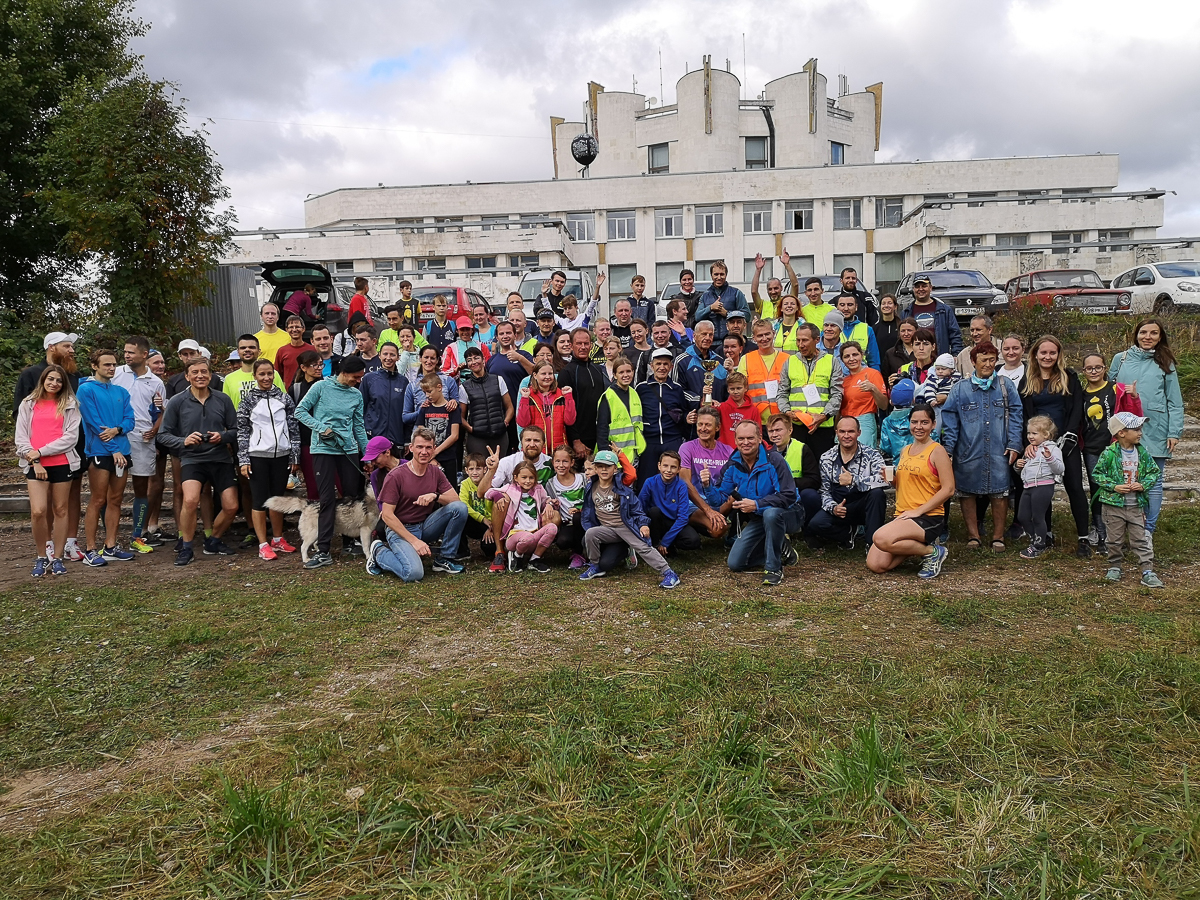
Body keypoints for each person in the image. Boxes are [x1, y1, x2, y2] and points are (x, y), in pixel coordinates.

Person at [939, 341, 1023, 551]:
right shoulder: (960, 389)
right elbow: (950, 420)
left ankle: (998, 536)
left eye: (992, 360)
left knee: (1000, 492)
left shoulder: (1006, 386)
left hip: (999, 448)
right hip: (968, 449)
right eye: (983, 359)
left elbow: (1016, 414)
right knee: (967, 493)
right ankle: (973, 536)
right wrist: (949, 449)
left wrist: (1014, 443)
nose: (988, 364)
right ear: (973, 361)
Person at [156, 358, 240, 566]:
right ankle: (186, 547)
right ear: (187, 376)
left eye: (204, 371)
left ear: (211, 375)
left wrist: (222, 436)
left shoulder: (222, 399)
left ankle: (213, 541)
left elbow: (237, 430)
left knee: (231, 506)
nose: (200, 375)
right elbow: (162, 435)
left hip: (220, 458)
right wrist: (183, 441)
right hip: (192, 459)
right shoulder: (177, 401)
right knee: (191, 500)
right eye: (195, 372)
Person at [1109, 317, 1185, 535]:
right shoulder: (1120, 359)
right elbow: (1109, 390)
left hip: (1156, 429)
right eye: (1143, 332)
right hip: (1125, 429)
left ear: (1160, 337)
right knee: (1126, 478)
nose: (1147, 337)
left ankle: (1148, 530)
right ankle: (1128, 526)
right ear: (1136, 334)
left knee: (1153, 480)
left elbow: (1175, 401)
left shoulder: (1165, 361)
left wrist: (1174, 432)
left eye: (1153, 333)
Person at [14, 331, 84, 561]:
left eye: (58, 380)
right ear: (52, 347)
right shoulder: (30, 375)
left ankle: (67, 545)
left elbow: (72, 426)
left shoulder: (73, 378)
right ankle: (45, 550)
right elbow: (21, 422)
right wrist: (34, 456)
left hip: (68, 454)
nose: (72, 350)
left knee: (66, 502)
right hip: (35, 457)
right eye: (67, 346)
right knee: (39, 509)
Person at [294, 355, 369, 569]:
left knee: (352, 497)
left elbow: (359, 427)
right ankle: (324, 549)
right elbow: (300, 411)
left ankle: (350, 542)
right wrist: (320, 427)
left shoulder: (356, 395)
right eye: (356, 377)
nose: (358, 381)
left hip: (348, 451)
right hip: (323, 449)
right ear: (344, 373)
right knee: (326, 499)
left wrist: (368, 454)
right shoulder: (320, 387)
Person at [703, 420, 798, 586]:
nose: (745, 442)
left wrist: (757, 504)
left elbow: (788, 496)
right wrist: (707, 486)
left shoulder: (774, 460)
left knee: (771, 513)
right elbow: (718, 500)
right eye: (741, 439)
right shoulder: (733, 463)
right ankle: (781, 547)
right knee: (735, 564)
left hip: (788, 512)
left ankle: (773, 568)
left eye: (750, 438)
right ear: (735, 440)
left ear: (760, 438)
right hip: (760, 518)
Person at [367, 426, 468, 581]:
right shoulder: (396, 475)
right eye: (420, 447)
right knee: (413, 573)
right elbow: (387, 515)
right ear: (411, 448)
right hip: (399, 530)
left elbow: (456, 501)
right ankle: (379, 552)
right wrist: (414, 541)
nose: (424, 452)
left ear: (434, 449)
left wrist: (435, 496)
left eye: (428, 447)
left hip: (425, 525)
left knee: (459, 508)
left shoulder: (435, 472)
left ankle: (444, 559)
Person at [1022, 335, 1090, 558]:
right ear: (1035, 354)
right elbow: (1024, 414)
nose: (1048, 357)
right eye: (1044, 352)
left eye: (1053, 353)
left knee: (1075, 489)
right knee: (1041, 489)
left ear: (1059, 355)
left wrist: (1070, 435)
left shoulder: (1069, 377)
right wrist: (1028, 443)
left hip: (1065, 443)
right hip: (1039, 445)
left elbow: (1077, 407)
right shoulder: (1027, 380)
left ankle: (1083, 538)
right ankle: (1046, 534)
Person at [868, 404, 955, 578]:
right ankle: (915, 546)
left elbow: (949, 489)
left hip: (928, 516)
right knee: (876, 564)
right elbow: (903, 485)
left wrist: (918, 511)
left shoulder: (937, 451)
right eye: (914, 422)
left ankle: (932, 552)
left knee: (880, 538)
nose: (919, 427)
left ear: (933, 424)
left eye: (924, 422)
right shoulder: (906, 450)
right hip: (904, 515)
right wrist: (892, 480)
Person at [578, 450, 680, 588]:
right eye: (600, 466)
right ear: (595, 468)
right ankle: (595, 566)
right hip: (606, 529)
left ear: (615, 469)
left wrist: (643, 524)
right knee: (590, 534)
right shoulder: (591, 487)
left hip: (624, 526)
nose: (603, 469)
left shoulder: (622, 489)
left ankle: (668, 572)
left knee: (643, 547)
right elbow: (589, 508)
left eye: (608, 466)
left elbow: (637, 510)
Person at [236, 359, 300, 560]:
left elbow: (293, 428)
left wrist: (294, 454)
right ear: (255, 376)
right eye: (261, 374)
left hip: (281, 455)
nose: (266, 378)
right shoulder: (248, 401)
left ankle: (278, 539)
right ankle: (263, 543)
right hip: (258, 456)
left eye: (269, 374)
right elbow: (243, 431)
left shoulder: (284, 398)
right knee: (259, 500)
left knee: (278, 499)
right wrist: (244, 459)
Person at [1091, 412, 1164, 588]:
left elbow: (1154, 472)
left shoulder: (1142, 453)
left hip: (1135, 506)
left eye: (1140, 429)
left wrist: (1143, 484)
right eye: (1136, 429)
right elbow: (1097, 475)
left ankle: (1147, 570)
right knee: (1114, 539)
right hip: (1112, 506)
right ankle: (1115, 566)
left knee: (1140, 539)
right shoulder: (1109, 453)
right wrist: (1114, 487)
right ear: (1121, 433)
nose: (1140, 433)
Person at [77, 348, 136, 565]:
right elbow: (93, 423)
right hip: (100, 452)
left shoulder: (121, 391)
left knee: (116, 500)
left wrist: (118, 430)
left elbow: (130, 420)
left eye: (113, 365)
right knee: (98, 499)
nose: (111, 368)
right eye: (106, 365)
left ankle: (110, 545)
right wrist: (114, 448)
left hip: (122, 451)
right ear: (95, 366)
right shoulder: (85, 390)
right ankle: (90, 549)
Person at [1080, 352, 1142, 551]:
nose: (1094, 371)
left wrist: (1133, 397)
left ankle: (1119, 533)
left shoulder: (1117, 390)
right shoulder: (1081, 394)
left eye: (1098, 367)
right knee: (1099, 490)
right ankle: (1100, 533)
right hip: (1091, 449)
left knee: (1119, 488)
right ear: (1084, 371)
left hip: (1115, 448)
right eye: (1089, 368)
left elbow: (1134, 417)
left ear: (1105, 368)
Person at [112, 335, 165, 553]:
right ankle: (111, 539)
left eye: (131, 352)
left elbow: (162, 411)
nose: (126, 355)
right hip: (117, 439)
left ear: (144, 355)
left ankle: (138, 535)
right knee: (113, 491)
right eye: (125, 351)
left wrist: (155, 429)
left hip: (144, 440)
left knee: (141, 489)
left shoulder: (156, 382)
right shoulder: (115, 374)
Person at [476, 426, 552, 573]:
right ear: (520, 443)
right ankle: (500, 553)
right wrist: (492, 469)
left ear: (543, 443)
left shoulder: (551, 464)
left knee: (553, 515)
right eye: (528, 440)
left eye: (536, 440)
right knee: (501, 498)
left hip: (539, 509)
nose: (532, 444)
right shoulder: (507, 462)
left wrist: (549, 504)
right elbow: (482, 493)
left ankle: (535, 556)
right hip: (512, 513)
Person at [806, 416, 887, 552]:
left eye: (851, 431)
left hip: (864, 504)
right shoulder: (826, 457)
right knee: (816, 524)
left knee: (877, 494)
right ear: (836, 433)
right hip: (840, 505)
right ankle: (847, 533)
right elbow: (824, 490)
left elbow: (884, 481)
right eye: (842, 432)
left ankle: (872, 544)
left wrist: (854, 480)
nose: (846, 436)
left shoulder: (872, 454)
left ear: (859, 433)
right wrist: (833, 508)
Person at [777, 323, 842, 457]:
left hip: (822, 426)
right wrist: (787, 411)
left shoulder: (831, 361)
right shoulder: (790, 362)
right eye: (798, 340)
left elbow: (837, 394)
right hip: (796, 426)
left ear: (817, 340)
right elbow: (782, 393)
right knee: (797, 466)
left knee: (822, 467)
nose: (801, 344)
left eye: (805, 340)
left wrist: (824, 415)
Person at [484, 459, 558, 572]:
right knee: (527, 538)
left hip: (534, 532)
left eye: (531, 478)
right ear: (516, 478)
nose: (528, 481)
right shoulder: (510, 488)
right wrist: (498, 496)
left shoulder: (538, 489)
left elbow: (547, 500)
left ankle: (534, 560)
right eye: (524, 477)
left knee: (552, 528)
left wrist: (549, 504)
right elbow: (488, 493)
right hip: (516, 535)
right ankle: (516, 556)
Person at [1014, 416, 1065, 559]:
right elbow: (1024, 469)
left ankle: (1039, 545)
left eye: (1034, 433)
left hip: (1043, 486)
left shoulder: (1053, 449)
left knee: (1038, 517)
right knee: (1022, 516)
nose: (1030, 436)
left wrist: (1050, 458)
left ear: (1046, 435)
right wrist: (1017, 466)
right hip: (1028, 486)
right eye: (1028, 433)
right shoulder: (1030, 449)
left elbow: (1060, 469)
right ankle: (1035, 539)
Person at [678, 407, 733, 540]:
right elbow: (685, 482)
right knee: (718, 529)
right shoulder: (687, 448)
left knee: (738, 492)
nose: (703, 428)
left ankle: (732, 528)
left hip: (718, 500)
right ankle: (691, 521)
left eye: (708, 425)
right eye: (700, 424)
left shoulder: (728, 451)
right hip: (694, 503)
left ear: (717, 427)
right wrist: (707, 510)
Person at [634, 348, 687, 483]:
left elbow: (683, 411)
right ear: (652, 366)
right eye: (658, 364)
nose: (662, 367)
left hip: (672, 440)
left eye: (665, 364)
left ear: (671, 367)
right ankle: (644, 504)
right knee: (646, 480)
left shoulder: (677, 388)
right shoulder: (641, 388)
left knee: (673, 479)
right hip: (648, 441)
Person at [639, 449, 702, 556]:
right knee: (654, 511)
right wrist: (643, 524)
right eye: (665, 466)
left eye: (673, 467)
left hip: (673, 521)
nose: (668, 470)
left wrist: (666, 542)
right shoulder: (649, 482)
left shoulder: (681, 486)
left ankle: (667, 545)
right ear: (659, 466)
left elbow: (682, 517)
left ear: (679, 469)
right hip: (655, 522)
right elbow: (640, 507)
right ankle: (654, 546)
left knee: (694, 540)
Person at [558, 328, 607, 462]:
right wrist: (575, 440)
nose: (583, 347)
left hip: (599, 437)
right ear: (572, 345)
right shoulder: (566, 372)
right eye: (579, 343)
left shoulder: (597, 369)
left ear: (591, 345)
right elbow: (564, 410)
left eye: (586, 343)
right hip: (579, 440)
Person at [765, 413, 821, 526]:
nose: (774, 434)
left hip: (798, 492)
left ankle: (807, 527)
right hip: (775, 494)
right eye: (771, 431)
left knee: (811, 495)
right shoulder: (765, 453)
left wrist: (789, 483)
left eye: (778, 430)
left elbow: (814, 480)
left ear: (790, 430)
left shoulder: (802, 449)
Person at [461, 346, 514, 457]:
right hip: (477, 437)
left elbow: (509, 407)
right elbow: (461, 416)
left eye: (476, 358)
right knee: (480, 470)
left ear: (483, 359)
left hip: (500, 435)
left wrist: (505, 422)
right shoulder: (464, 387)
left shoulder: (498, 380)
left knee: (501, 469)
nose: (474, 362)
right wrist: (471, 429)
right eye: (469, 360)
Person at [516, 361, 575, 454]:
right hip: (535, 449)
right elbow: (523, 422)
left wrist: (569, 397)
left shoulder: (561, 394)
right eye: (543, 374)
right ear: (535, 375)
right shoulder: (528, 395)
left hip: (558, 449)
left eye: (550, 373)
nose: (547, 377)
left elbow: (570, 421)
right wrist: (524, 399)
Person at [360, 342, 409, 451]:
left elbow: (407, 412)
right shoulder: (369, 379)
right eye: (385, 354)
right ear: (379, 355)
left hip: (396, 439)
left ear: (398, 357)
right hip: (373, 437)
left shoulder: (403, 381)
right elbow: (360, 409)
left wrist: (407, 440)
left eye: (392, 355)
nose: (388, 358)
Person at [595, 357, 643, 467]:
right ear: (615, 375)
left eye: (628, 371)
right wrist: (606, 456)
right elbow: (602, 428)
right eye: (621, 372)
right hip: (614, 456)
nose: (626, 375)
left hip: (633, 455)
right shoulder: (608, 396)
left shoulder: (634, 393)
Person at [739, 318, 788, 424]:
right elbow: (740, 389)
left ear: (773, 333)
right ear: (754, 338)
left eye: (767, 334)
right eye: (760, 335)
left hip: (782, 418)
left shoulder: (787, 359)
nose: (764, 338)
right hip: (756, 419)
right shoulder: (746, 359)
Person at [839, 342, 888, 448]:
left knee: (863, 459)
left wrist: (873, 388)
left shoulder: (872, 374)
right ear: (842, 360)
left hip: (864, 422)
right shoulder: (843, 381)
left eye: (855, 354)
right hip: (845, 423)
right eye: (847, 356)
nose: (851, 359)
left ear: (862, 355)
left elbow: (884, 405)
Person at [547, 444, 588, 568]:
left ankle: (579, 554)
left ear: (572, 463)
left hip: (585, 520)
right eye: (557, 461)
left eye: (565, 461)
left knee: (577, 517)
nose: (561, 465)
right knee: (562, 541)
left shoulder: (583, 479)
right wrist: (550, 504)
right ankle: (578, 550)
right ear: (553, 463)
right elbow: (549, 500)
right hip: (568, 523)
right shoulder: (551, 484)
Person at [900, 274, 963, 355]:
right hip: (916, 358)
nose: (920, 289)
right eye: (917, 287)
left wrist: (956, 354)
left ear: (930, 288)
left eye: (924, 286)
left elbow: (955, 335)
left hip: (939, 358)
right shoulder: (906, 312)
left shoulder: (944, 310)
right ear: (913, 289)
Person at [415, 373, 461, 483]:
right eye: (424, 392)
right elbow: (420, 432)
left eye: (429, 391)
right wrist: (431, 455)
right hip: (428, 458)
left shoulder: (452, 409)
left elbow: (454, 435)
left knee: (450, 489)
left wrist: (436, 452)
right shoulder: (425, 408)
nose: (427, 395)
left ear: (439, 387)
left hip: (448, 457)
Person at [402, 346, 461, 431]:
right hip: (421, 435)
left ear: (437, 360)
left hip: (444, 433)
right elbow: (405, 418)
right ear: (420, 358)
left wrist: (454, 403)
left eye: (432, 358)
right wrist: (421, 411)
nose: (429, 361)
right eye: (426, 357)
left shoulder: (448, 381)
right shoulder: (412, 385)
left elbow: (458, 408)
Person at [674, 320, 728, 411]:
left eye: (710, 335)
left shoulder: (719, 361)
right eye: (704, 334)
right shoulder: (682, 361)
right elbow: (677, 390)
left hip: (717, 414)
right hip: (693, 415)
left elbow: (726, 389)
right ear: (694, 336)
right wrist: (699, 400)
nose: (707, 338)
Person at [224, 334, 285, 407]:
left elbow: (284, 401)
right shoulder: (229, 379)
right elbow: (226, 406)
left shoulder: (272, 374)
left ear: (259, 351)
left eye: (251, 347)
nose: (247, 350)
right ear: (238, 352)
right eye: (243, 348)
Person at [695, 260, 750, 341]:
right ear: (711, 275)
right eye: (716, 274)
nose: (719, 277)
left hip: (731, 341)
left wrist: (727, 314)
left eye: (722, 274)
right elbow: (697, 317)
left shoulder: (736, 293)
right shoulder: (705, 296)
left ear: (726, 275)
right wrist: (710, 308)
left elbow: (747, 316)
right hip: (711, 342)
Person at [458, 451, 496, 559]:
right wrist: (483, 519)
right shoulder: (465, 484)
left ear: (485, 469)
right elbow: (464, 504)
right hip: (476, 520)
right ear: (466, 470)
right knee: (458, 516)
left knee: (490, 550)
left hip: (491, 523)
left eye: (478, 468)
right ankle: (463, 550)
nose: (475, 472)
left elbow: (497, 508)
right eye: (471, 469)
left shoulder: (492, 483)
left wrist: (492, 528)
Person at [716, 372, 764, 448]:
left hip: (745, 450)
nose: (735, 392)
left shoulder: (753, 410)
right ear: (728, 390)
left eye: (739, 388)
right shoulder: (722, 407)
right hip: (724, 451)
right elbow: (707, 412)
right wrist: (707, 399)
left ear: (745, 388)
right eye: (732, 389)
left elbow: (758, 433)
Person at [750, 250, 800, 320]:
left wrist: (787, 265)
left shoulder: (787, 303)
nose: (773, 292)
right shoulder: (763, 304)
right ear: (767, 291)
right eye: (770, 289)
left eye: (776, 288)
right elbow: (754, 292)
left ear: (781, 288)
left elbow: (795, 285)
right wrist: (758, 270)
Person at [274, 315, 315, 387]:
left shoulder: (312, 349)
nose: (294, 329)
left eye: (297, 327)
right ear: (286, 330)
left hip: (309, 390)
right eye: (291, 327)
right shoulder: (282, 351)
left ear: (303, 329)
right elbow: (277, 374)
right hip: (288, 393)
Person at [882, 318, 917, 382]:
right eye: (903, 331)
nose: (906, 334)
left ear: (916, 331)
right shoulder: (890, 354)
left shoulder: (922, 351)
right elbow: (885, 378)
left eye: (909, 330)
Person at [625, 319, 653, 384]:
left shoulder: (654, 352)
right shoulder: (626, 353)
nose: (636, 335)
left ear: (646, 331)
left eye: (639, 331)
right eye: (633, 333)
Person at [873, 294, 900, 361]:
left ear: (895, 306)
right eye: (883, 303)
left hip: (898, 366)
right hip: (881, 366)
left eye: (889, 303)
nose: (886, 305)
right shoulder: (875, 328)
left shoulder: (901, 327)